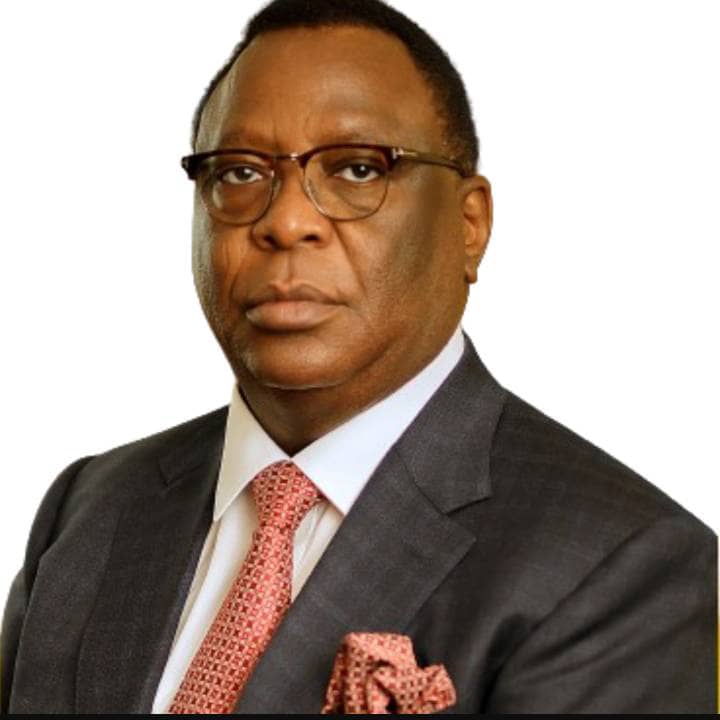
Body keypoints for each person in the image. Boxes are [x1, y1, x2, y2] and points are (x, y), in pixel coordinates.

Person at [1, 0, 716, 713]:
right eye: (240, 173)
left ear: (469, 225)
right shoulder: (88, 510)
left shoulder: (623, 569)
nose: (286, 221)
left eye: (358, 169)